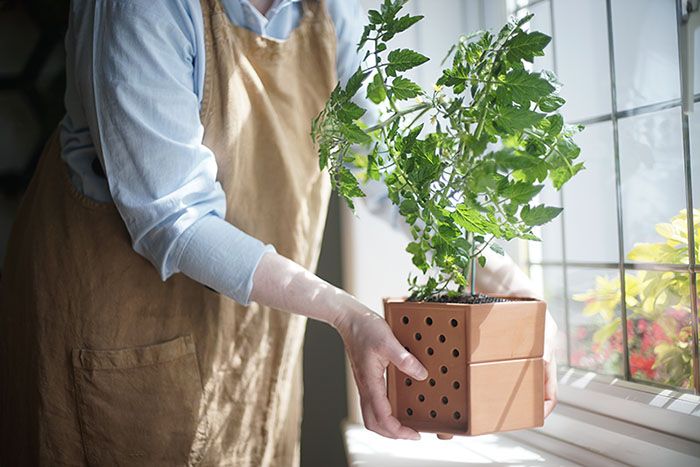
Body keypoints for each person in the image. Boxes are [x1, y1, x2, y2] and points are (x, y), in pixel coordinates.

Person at [0, 0, 558, 465]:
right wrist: (344, 312)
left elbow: (382, 168)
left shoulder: (328, 10)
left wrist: (497, 267)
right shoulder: (142, 8)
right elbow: (175, 217)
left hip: (254, 337)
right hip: (120, 327)